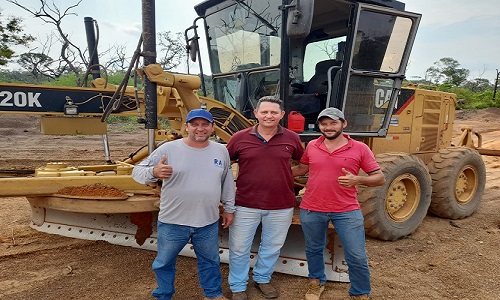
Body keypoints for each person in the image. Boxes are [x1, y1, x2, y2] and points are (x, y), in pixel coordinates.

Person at [132, 109, 235, 300]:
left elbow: (227, 182)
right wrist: (154, 172)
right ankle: (164, 295)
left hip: (207, 221)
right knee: (164, 261)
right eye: (194, 124)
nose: (200, 129)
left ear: (212, 128)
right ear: (186, 126)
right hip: (173, 221)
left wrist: (229, 208)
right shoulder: (168, 149)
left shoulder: (221, 151)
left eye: (205, 124)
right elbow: (137, 172)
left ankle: (213, 295)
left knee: (210, 260)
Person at [292, 107, 385, 300]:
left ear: (344, 124)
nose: (328, 127)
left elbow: (379, 178)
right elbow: (302, 168)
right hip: (312, 208)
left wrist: (357, 180)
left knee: (356, 254)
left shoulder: (360, 148)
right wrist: (271, 171)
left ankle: (360, 292)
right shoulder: (312, 146)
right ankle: (316, 281)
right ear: (319, 126)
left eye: (333, 123)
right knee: (314, 249)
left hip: (346, 210)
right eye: (324, 124)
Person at [226, 96, 305, 300]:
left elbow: (305, 164)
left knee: (272, 246)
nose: (269, 116)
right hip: (245, 203)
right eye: (264, 112)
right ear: (256, 114)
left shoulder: (291, 138)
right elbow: (224, 164)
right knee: (239, 247)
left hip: (281, 205)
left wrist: (286, 174)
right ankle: (238, 286)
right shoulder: (239, 138)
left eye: (273, 112)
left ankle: (262, 278)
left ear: (281, 115)